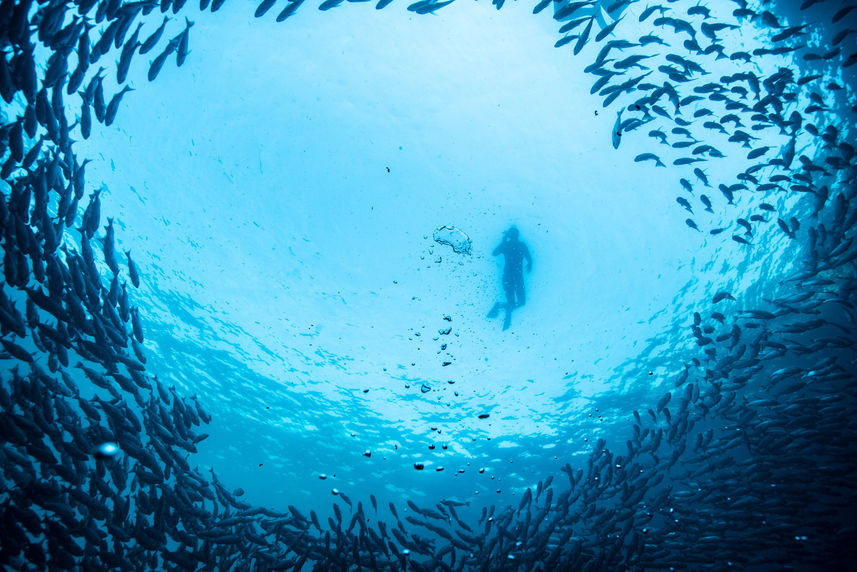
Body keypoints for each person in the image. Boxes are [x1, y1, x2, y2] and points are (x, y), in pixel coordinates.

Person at [488, 226, 532, 330]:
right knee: (516, 302)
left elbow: (529, 257)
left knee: (520, 302)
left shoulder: (513, 245)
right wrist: (530, 263)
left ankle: (501, 306)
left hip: (513, 276)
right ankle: (505, 316)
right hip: (511, 275)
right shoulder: (510, 245)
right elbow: (494, 253)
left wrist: (530, 263)